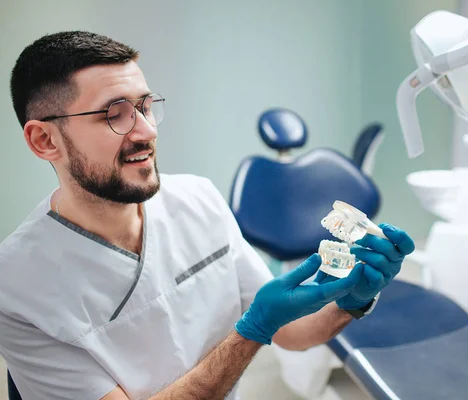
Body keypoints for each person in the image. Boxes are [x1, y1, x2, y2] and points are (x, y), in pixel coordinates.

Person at [0, 31, 414, 400]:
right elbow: (265, 325)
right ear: (45, 140)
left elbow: (291, 332)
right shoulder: (16, 289)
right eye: (115, 114)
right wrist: (252, 330)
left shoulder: (199, 199)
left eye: (146, 107)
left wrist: (352, 300)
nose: (146, 131)